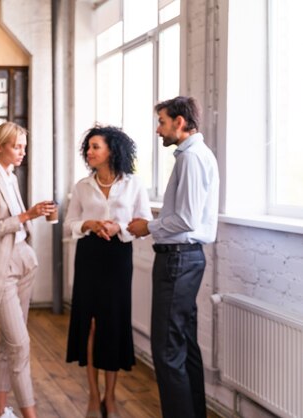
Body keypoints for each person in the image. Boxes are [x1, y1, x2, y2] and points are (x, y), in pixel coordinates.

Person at [127, 96, 219, 418]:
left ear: (180, 123)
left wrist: (147, 226)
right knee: (184, 346)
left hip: (179, 260)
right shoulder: (193, 156)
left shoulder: (191, 158)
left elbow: (187, 219)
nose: (158, 129)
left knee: (166, 352)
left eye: (162, 122)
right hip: (184, 259)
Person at [0, 122, 55, 418]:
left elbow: (16, 223)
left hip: (23, 262)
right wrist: (27, 214)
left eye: (24, 147)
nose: (22, 153)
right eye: (17, 146)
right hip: (0, 269)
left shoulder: (10, 177)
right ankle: (30, 414)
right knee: (20, 344)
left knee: (8, 340)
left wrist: (32, 215)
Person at [64, 125, 151, 418]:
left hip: (118, 256)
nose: (89, 152)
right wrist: (89, 224)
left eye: (95, 146)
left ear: (112, 150)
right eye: (87, 147)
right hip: (89, 256)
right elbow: (70, 223)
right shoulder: (81, 186)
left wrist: (120, 227)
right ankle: (93, 396)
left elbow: (145, 223)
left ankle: (110, 398)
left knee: (111, 327)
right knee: (89, 325)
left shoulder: (134, 184)